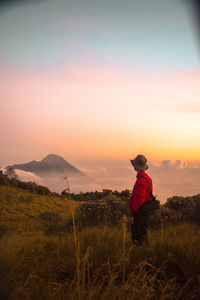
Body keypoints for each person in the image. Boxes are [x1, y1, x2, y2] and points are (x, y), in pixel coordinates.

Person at [129, 154, 153, 245]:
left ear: (136, 167)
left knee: (137, 238)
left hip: (139, 213)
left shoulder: (140, 181)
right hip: (145, 212)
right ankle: (145, 253)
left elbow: (138, 200)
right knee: (143, 234)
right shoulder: (148, 179)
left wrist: (132, 215)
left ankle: (140, 255)